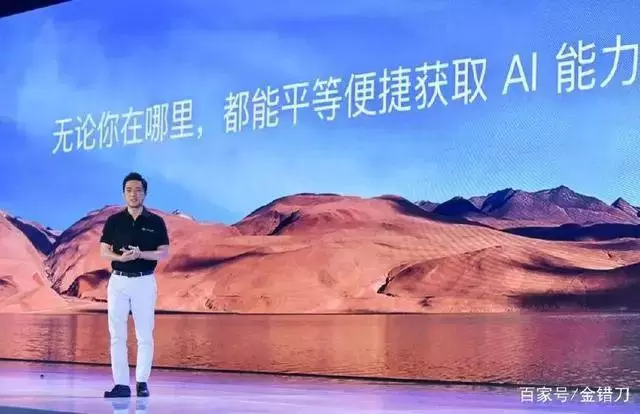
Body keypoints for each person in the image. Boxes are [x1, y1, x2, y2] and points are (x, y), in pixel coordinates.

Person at [99, 172, 170, 398]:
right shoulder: (114, 221)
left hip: (144, 280)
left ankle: (142, 382)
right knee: (117, 334)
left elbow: (163, 252)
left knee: (144, 334)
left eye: (138, 190)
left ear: (145, 193)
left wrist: (141, 254)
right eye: (129, 190)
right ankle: (121, 384)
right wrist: (120, 258)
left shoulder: (156, 222)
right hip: (118, 280)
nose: (133, 194)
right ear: (123, 194)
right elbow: (103, 250)